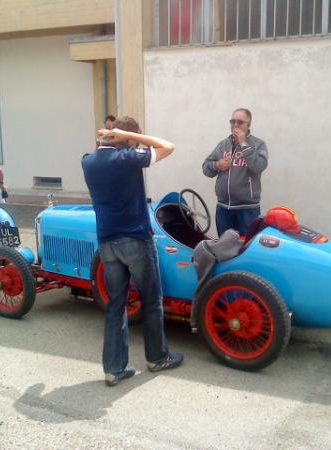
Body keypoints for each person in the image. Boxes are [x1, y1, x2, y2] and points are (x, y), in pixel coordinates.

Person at [82, 116, 183, 387]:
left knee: (116, 305)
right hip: (135, 239)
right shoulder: (127, 159)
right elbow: (168, 146)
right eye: (134, 139)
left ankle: (113, 369)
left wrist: (112, 136)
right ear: (126, 139)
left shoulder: (88, 161)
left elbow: (99, 151)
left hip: (107, 242)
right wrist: (132, 137)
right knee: (151, 299)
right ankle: (157, 357)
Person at [202, 108, 269, 237]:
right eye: (232, 121)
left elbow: (258, 166)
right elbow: (206, 168)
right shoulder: (222, 145)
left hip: (248, 210)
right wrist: (217, 165)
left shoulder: (259, 144)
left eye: (240, 122)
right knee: (224, 246)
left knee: (246, 246)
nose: (235, 125)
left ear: (249, 125)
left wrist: (243, 143)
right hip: (223, 209)